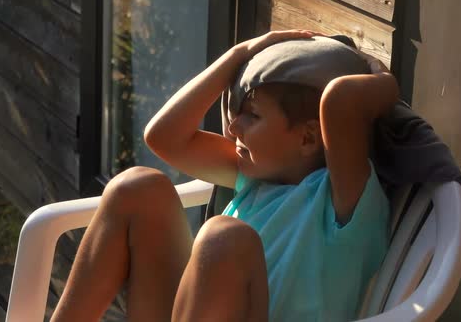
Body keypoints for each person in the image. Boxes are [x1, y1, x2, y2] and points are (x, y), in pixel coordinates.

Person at [50, 30, 399, 322]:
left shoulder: (343, 203)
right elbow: (162, 137)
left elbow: (341, 101)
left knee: (224, 236)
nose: (233, 127)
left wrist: (379, 74)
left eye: (252, 115)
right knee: (137, 186)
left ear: (308, 137)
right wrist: (239, 53)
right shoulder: (255, 177)